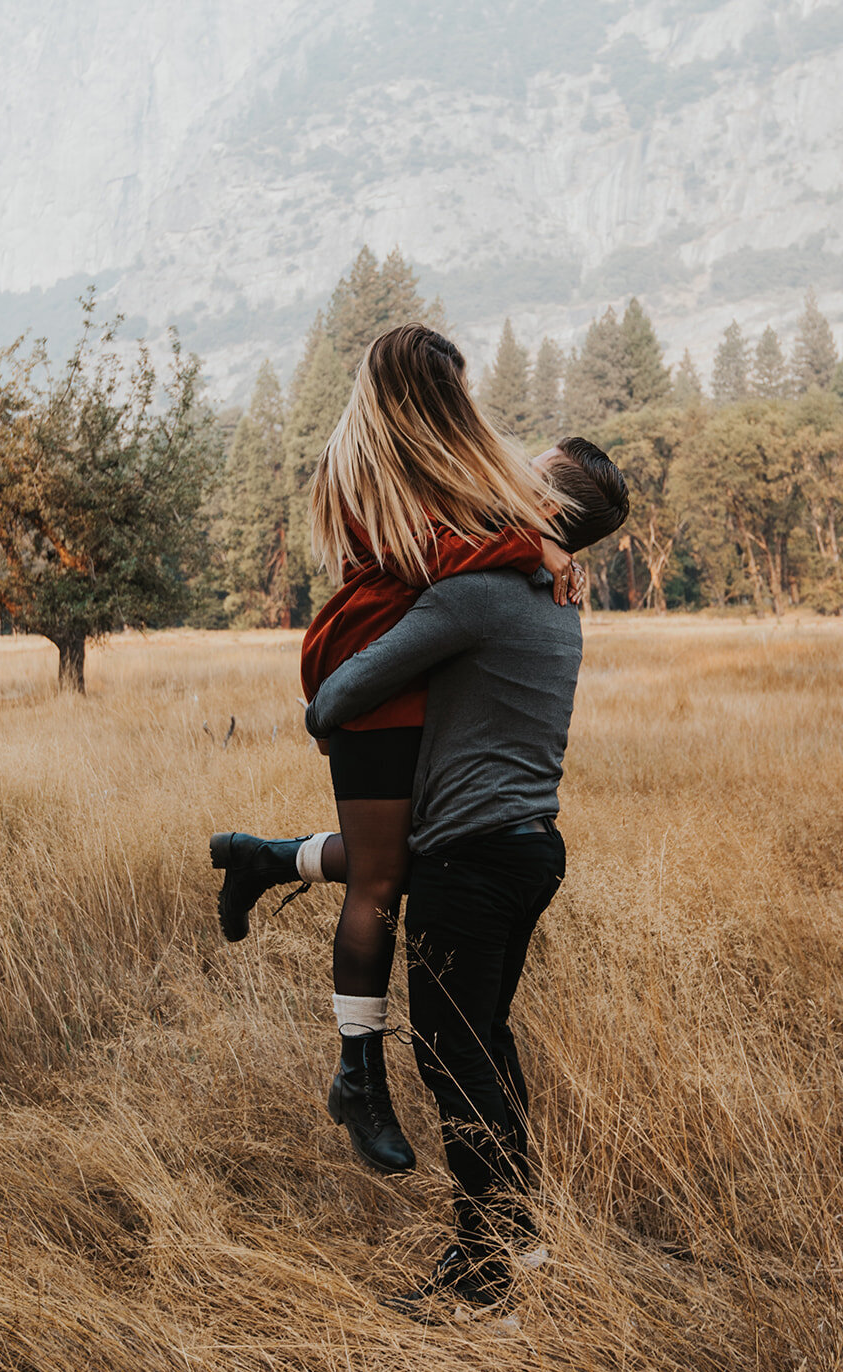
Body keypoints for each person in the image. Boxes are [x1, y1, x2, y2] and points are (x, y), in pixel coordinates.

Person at [215, 434, 630, 1313]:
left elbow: (331, 702)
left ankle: (484, 1282)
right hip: (525, 850)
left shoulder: (479, 594)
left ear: (544, 508)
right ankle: (519, 1244)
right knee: (485, 1048)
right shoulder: (555, 599)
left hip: (469, 861)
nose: (496, 464)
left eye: (522, 469)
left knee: (453, 1062)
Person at [212, 323, 582, 1176]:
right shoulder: (360, 461)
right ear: (413, 390)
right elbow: (429, 558)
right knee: (383, 879)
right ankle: (359, 1072)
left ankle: (266, 859)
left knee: (417, 852)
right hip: (371, 669)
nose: (460, 404)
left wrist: (533, 538)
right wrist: (533, 541)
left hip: (421, 663)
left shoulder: (442, 464)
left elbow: (471, 546)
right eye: (447, 387)